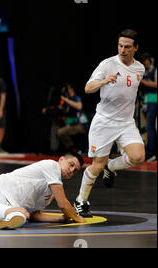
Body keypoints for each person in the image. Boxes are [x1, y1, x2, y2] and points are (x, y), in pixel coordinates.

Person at [74, 29, 146, 217]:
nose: (122, 50)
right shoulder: (107, 64)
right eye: (120, 45)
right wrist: (104, 81)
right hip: (104, 122)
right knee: (97, 165)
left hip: (126, 123)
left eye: (127, 47)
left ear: (135, 48)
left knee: (138, 157)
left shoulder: (140, 68)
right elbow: (88, 88)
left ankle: (111, 167)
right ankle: (81, 200)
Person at [57, 83, 88, 152]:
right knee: (60, 132)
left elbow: (79, 106)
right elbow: (61, 108)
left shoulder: (76, 98)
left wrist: (65, 99)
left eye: (67, 90)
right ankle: (72, 149)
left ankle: (75, 149)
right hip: (71, 124)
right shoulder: (66, 100)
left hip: (81, 125)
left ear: (71, 90)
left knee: (61, 132)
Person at [138, 53, 157, 162]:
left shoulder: (155, 71)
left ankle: (151, 153)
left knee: (150, 127)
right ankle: (149, 151)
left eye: (146, 60)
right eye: (143, 61)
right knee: (148, 127)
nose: (145, 63)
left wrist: (143, 82)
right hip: (145, 102)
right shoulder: (143, 72)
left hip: (154, 100)